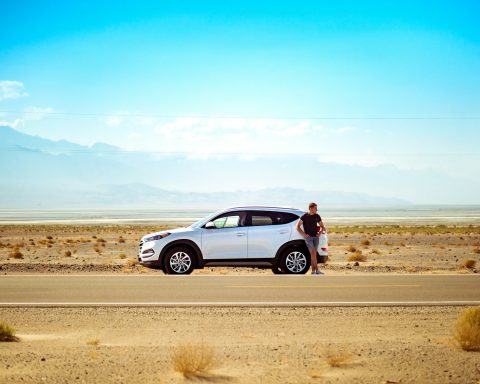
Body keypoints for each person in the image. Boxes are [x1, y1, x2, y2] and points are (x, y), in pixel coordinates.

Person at [296, 202, 325, 275]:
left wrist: (319, 233)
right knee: (312, 253)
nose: (316, 210)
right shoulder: (304, 216)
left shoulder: (317, 216)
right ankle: (314, 271)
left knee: (314, 254)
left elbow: (322, 226)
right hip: (308, 239)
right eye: (315, 208)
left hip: (316, 238)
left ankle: (315, 271)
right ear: (311, 208)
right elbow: (297, 226)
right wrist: (304, 235)